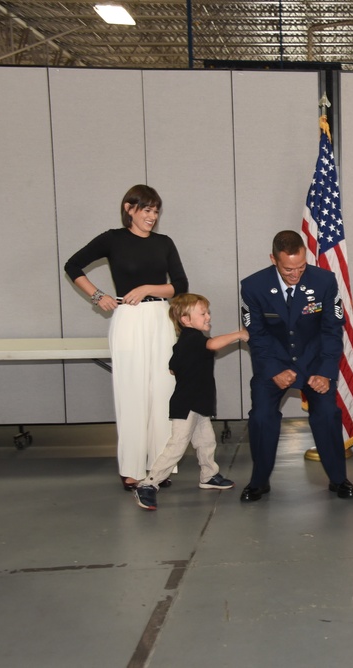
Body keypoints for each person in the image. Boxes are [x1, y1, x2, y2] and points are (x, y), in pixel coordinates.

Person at [64, 185, 188, 491]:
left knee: (162, 390)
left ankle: (159, 466)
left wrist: (148, 288)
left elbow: (181, 286)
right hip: (128, 319)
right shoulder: (112, 239)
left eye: (156, 211)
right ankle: (131, 468)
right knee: (131, 392)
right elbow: (72, 265)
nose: (152, 217)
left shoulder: (164, 242)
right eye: (146, 210)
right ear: (129, 208)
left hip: (161, 318)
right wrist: (97, 296)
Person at [239, 230, 353, 501]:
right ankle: (259, 482)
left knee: (327, 413)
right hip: (273, 362)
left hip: (314, 361)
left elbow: (332, 329)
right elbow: (256, 335)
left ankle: (338, 479)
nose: (296, 274)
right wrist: (272, 371)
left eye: (301, 267)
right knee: (261, 417)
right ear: (273, 260)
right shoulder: (253, 286)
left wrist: (326, 372)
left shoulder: (324, 281)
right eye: (288, 269)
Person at [133, 294, 248, 510]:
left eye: (207, 312)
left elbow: (173, 364)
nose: (208, 316)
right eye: (202, 313)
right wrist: (239, 334)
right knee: (177, 446)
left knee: (206, 442)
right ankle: (148, 484)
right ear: (185, 320)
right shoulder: (193, 337)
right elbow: (213, 344)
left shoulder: (187, 341)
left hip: (198, 403)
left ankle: (209, 475)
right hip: (187, 405)